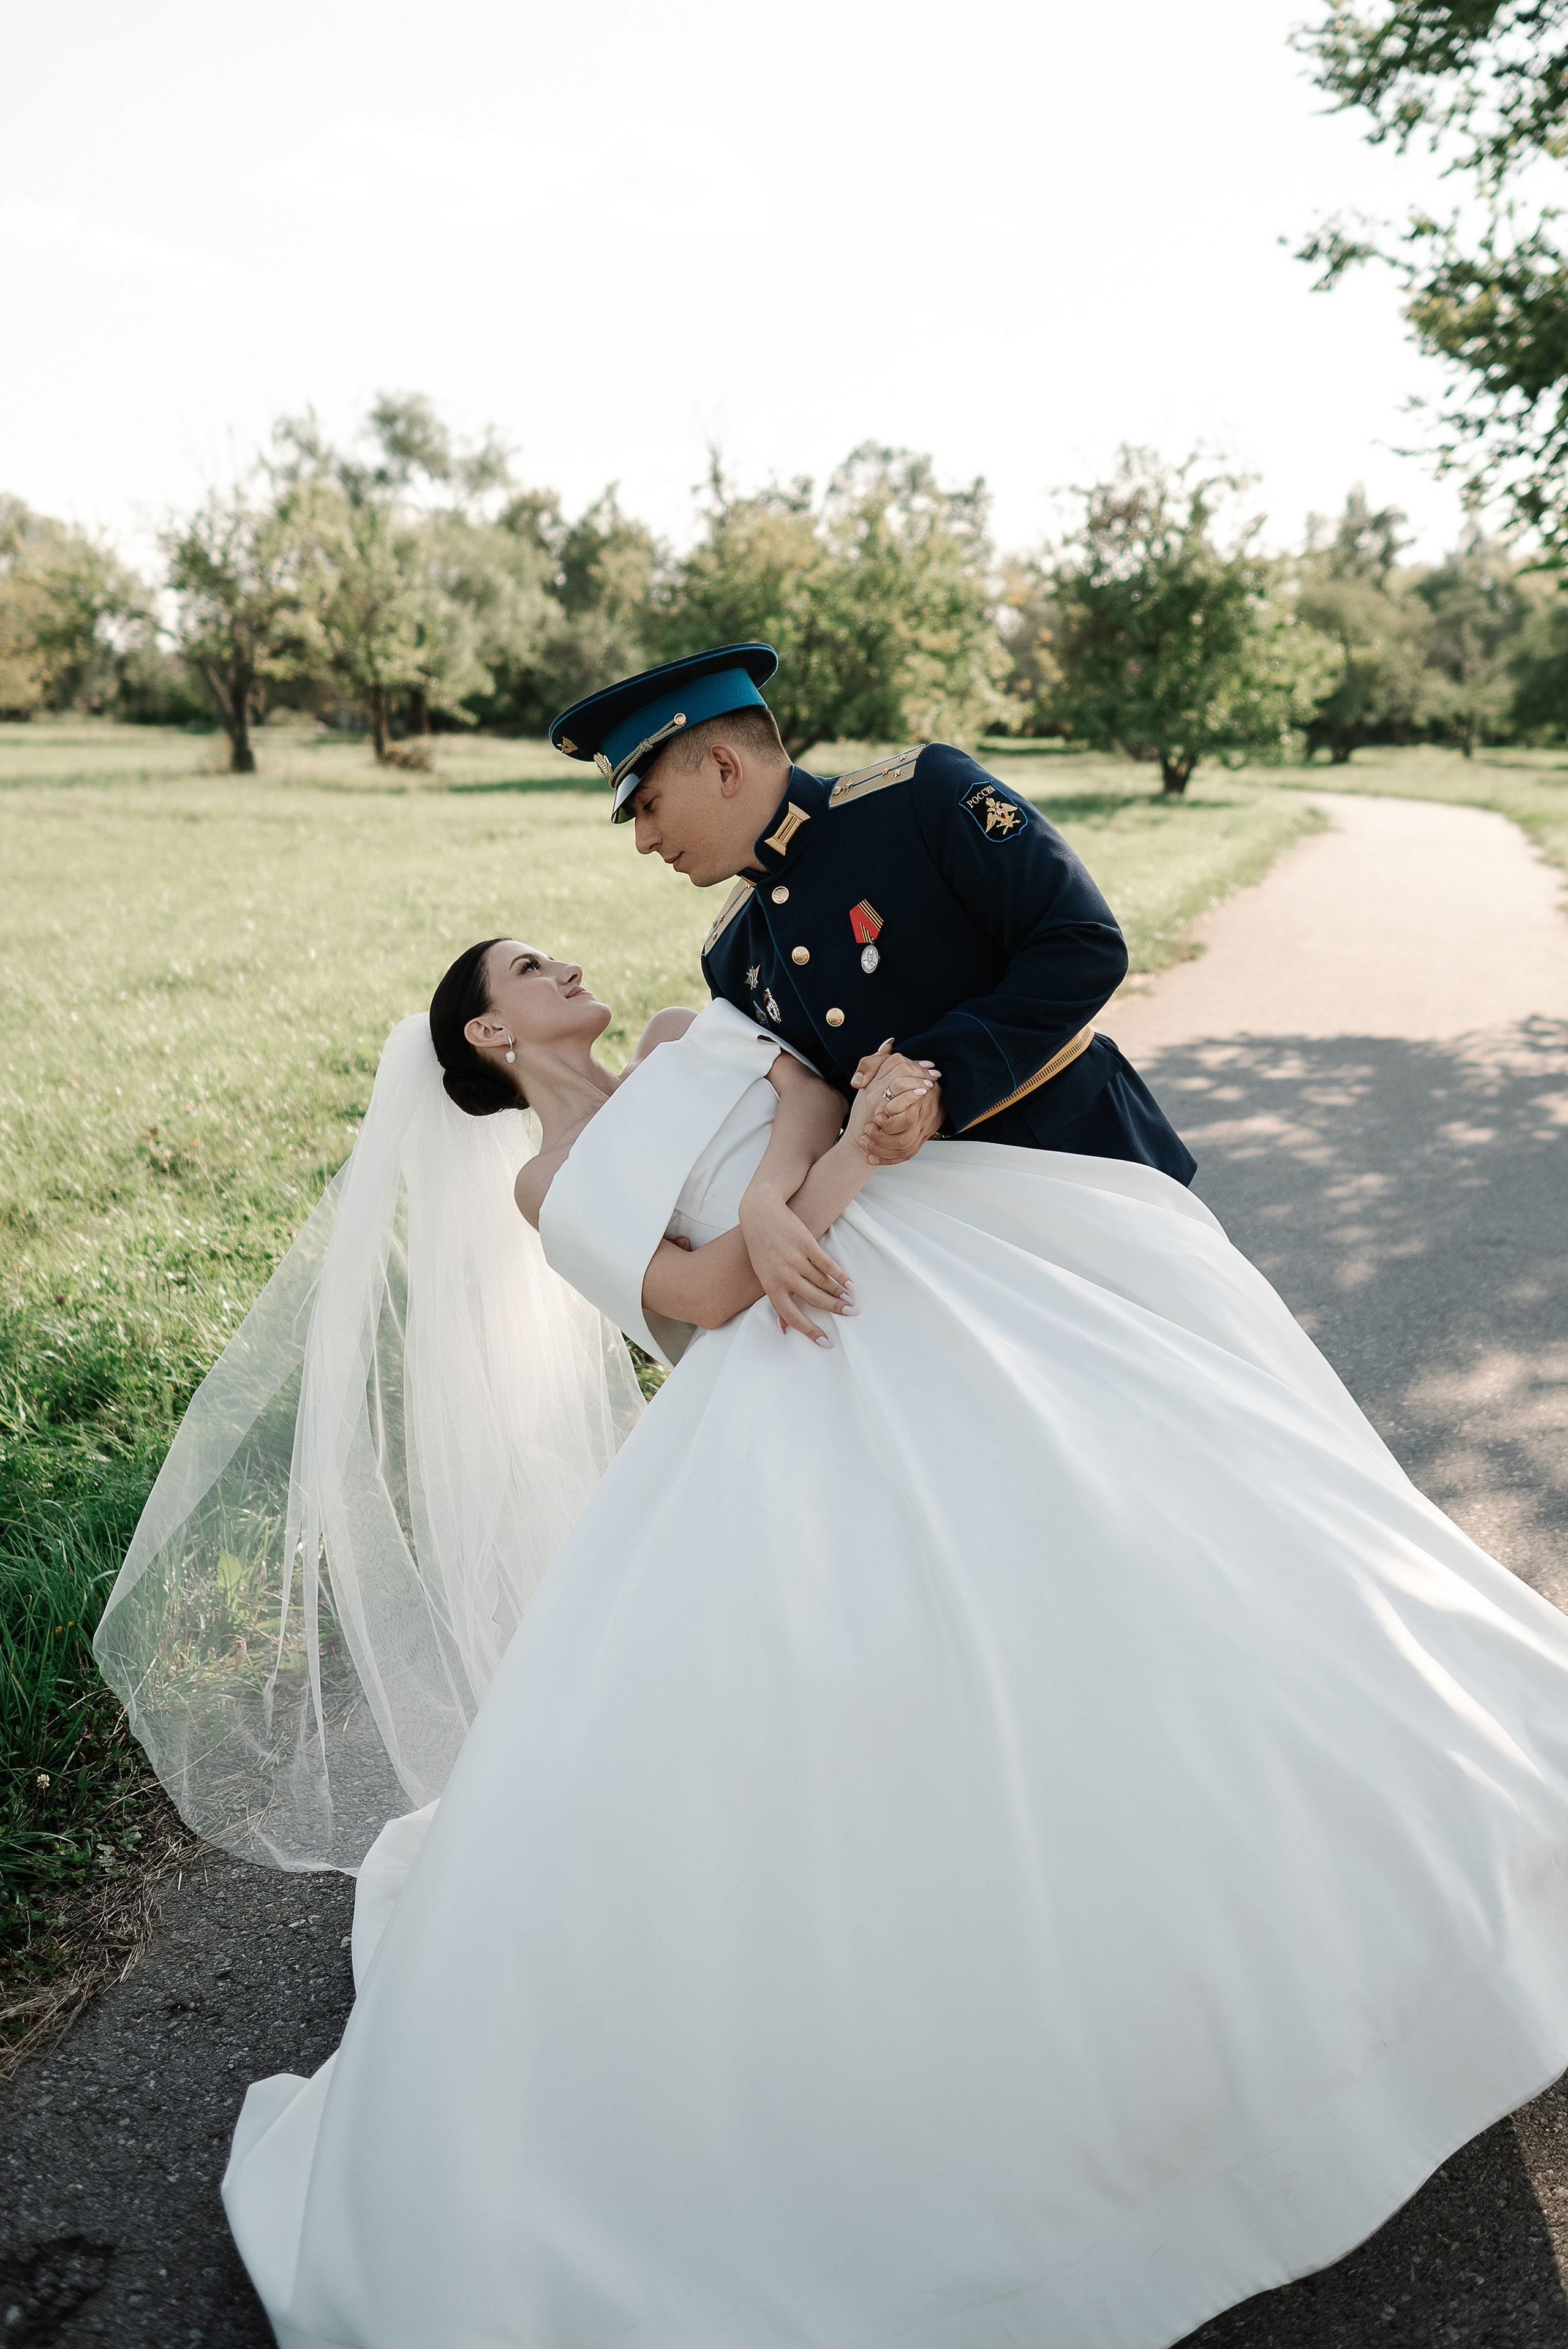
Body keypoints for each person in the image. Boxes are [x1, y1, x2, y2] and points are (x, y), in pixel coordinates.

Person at [97, 932, 1568, 2349]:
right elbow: (694, 1297)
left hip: (929, 1265)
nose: (562, 965)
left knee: (1166, 1537)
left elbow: (799, 1086)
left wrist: (814, 1175)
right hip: (788, 1366)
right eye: (526, 969)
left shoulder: (683, 1033)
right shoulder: (550, 1185)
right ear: (491, 1036)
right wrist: (788, 1214)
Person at [548, 642, 1197, 1181]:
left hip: (1085, 1163)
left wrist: (939, 1080)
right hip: (934, 1235)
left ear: (723, 767)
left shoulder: (922, 794)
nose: (644, 840)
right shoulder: (731, 952)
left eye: (650, 805)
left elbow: (1082, 943)